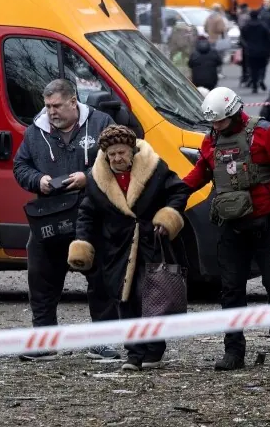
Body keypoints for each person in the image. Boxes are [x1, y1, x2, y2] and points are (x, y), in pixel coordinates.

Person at [182, 86, 270, 371]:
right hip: (232, 227)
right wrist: (174, 195)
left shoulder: (267, 133)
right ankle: (234, 350)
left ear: (234, 113)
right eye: (212, 123)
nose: (215, 127)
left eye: (220, 122)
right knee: (230, 290)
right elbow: (200, 173)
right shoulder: (211, 142)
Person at [13, 78, 120, 361]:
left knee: (101, 280)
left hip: (92, 216)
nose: (51, 112)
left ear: (74, 102)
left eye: (57, 106)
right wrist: (39, 180)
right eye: (47, 106)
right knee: (41, 280)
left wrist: (89, 177)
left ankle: (103, 342)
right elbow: (20, 166)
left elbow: (120, 159)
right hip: (48, 216)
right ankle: (44, 342)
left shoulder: (101, 123)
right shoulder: (36, 131)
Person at [68, 125, 190, 371]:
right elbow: (87, 214)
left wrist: (166, 219)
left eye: (121, 152)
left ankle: (153, 350)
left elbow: (179, 191)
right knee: (123, 299)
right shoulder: (96, 179)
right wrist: (82, 242)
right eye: (111, 154)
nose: (116, 158)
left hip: (150, 244)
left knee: (151, 298)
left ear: (132, 151)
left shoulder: (155, 169)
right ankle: (134, 354)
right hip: (117, 249)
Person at [240, 10, 270, 93]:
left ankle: (254, 86)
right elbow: (269, 38)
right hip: (263, 51)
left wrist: (246, 46)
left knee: (253, 69)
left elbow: (242, 38)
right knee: (262, 66)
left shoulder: (246, 26)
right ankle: (261, 79)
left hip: (250, 51)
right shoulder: (263, 26)